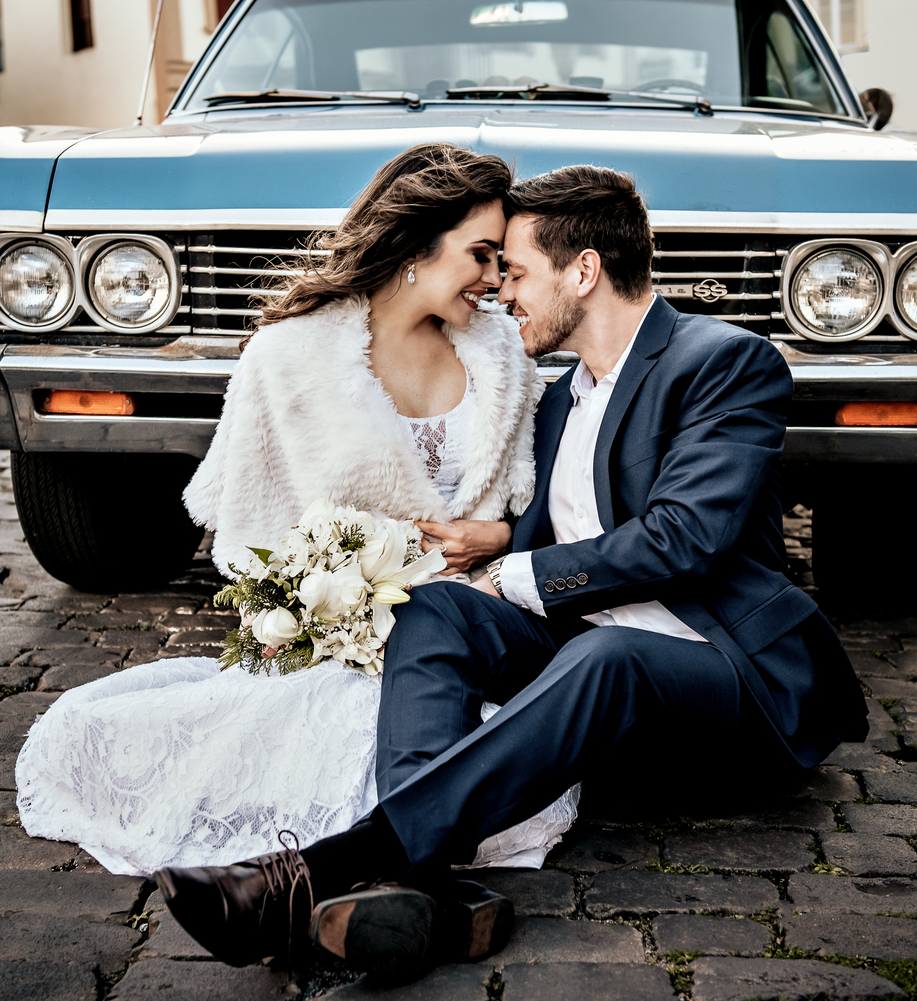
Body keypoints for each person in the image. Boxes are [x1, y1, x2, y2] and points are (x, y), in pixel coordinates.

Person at [157, 165, 871, 981]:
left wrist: (518, 573)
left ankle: (313, 875)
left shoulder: (723, 363)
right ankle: (415, 886)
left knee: (608, 656)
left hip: (735, 691)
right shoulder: (561, 398)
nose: (501, 291)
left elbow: (685, 537)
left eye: (518, 271)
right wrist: (486, 546)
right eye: (493, 269)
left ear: (585, 271)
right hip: (594, 680)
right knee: (434, 612)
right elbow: (542, 530)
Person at [15, 144, 581, 883]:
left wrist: (501, 537)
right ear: (416, 243)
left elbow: (540, 498)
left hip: (474, 624)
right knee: (124, 740)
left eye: (502, 263)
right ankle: (362, 876)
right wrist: (324, 610)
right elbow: (252, 541)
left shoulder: (505, 355)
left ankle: (370, 872)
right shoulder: (286, 358)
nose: (494, 280)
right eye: (481, 254)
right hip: (336, 640)